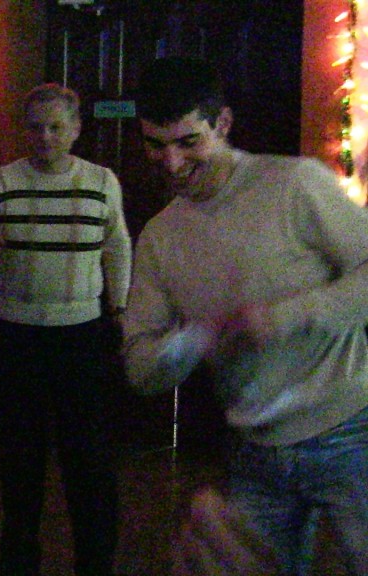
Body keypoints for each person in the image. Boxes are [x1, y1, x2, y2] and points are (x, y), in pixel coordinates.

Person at [124, 56, 368, 576]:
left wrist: (284, 317)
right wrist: (194, 340)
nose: (171, 163)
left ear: (224, 123)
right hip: (253, 452)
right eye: (155, 145)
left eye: (188, 142)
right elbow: (140, 369)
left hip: (351, 429)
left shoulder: (295, 184)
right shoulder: (159, 238)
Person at [0, 83, 131, 576]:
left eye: (56, 127)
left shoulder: (101, 181)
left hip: (81, 333)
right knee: (19, 456)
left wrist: (120, 307)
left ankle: (95, 563)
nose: (45, 137)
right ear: (24, 130)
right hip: (14, 333)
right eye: (36, 127)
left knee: (87, 457)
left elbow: (117, 246)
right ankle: (18, 561)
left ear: (76, 129)